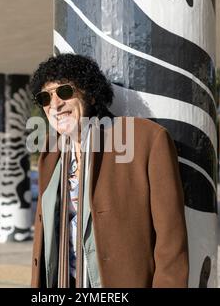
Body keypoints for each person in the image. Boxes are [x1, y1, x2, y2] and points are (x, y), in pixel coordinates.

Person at [30, 54, 188, 288]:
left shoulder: (145, 139)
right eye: (45, 97)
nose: (55, 104)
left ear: (91, 94)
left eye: (64, 92)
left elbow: (171, 240)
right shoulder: (51, 150)